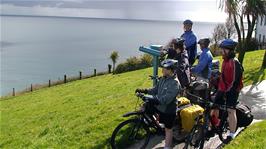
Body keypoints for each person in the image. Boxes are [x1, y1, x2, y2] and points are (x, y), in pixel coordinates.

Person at [136, 59, 181, 149]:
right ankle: (158, 125)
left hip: (168, 109)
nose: (162, 70)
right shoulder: (163, 79)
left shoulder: (175, 83)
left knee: (168, 129)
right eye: (163, 68)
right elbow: (155, 90)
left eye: (165, 68)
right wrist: (144, 90)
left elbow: (166, 100)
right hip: (160, 106)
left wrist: (152, 98)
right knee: (146, 106)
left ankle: (167, 147)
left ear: (171, 70)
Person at [212, 39, 244, 144]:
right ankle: (215, 125)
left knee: (231, 110)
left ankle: (232, 134)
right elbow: (224, 76)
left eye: (223, 49)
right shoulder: (225, 60)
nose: (222, 51)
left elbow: (234, 81)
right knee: (214, 106)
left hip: (232, 91)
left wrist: (227, 92)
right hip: (223, 89)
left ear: (229, 50)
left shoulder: (234, 62)